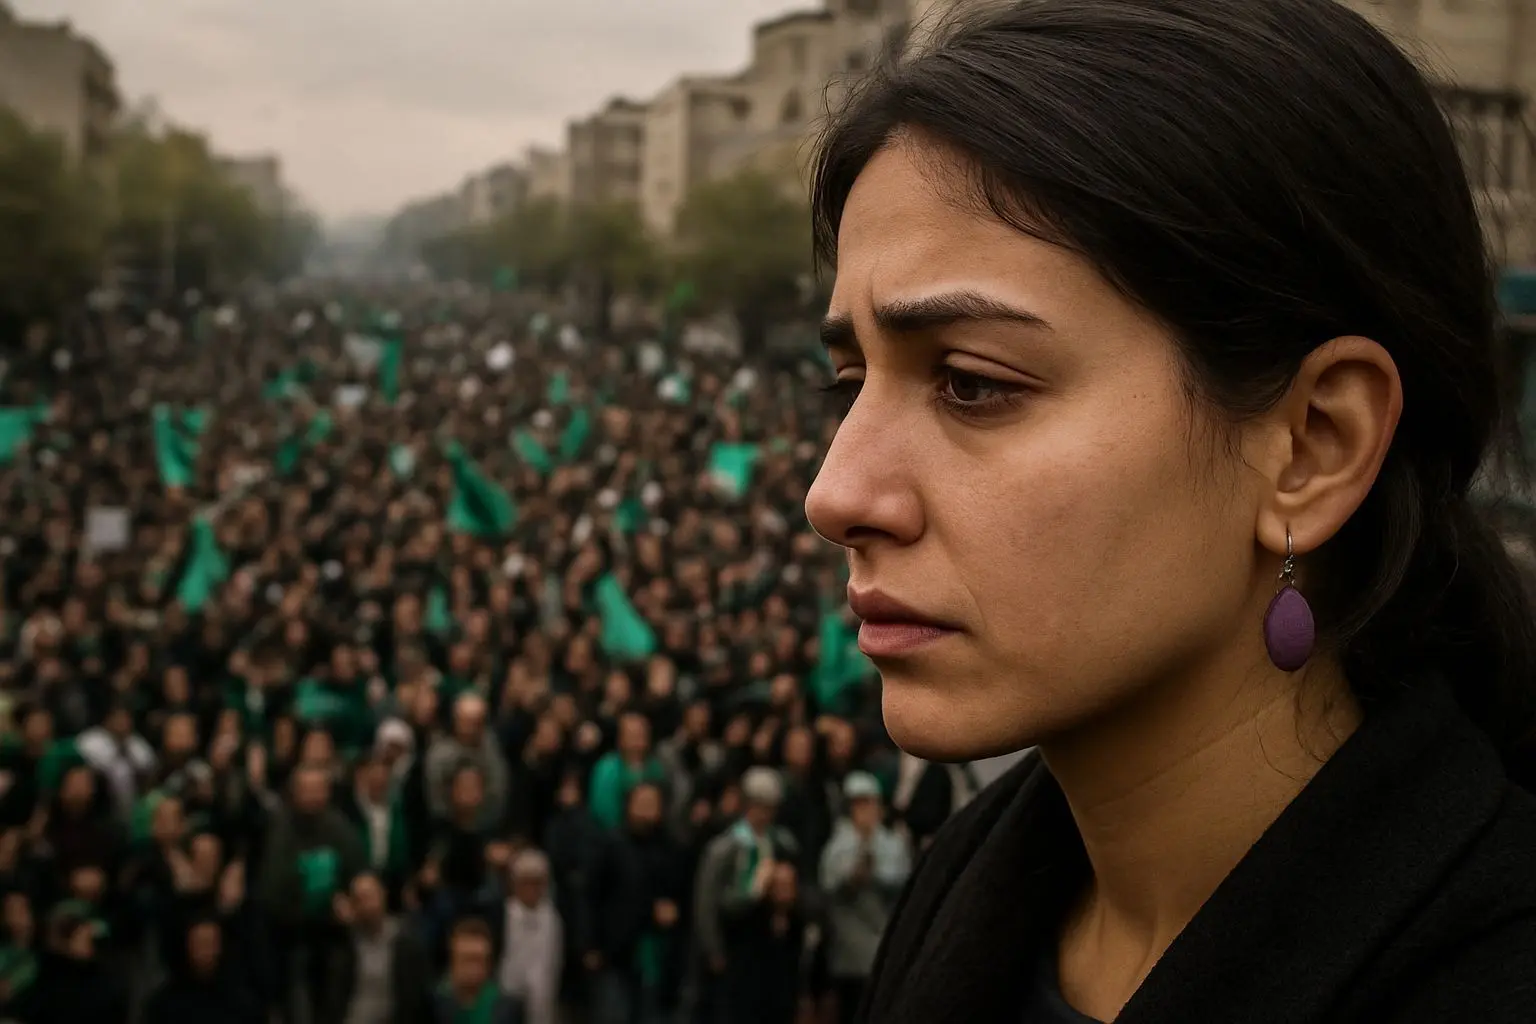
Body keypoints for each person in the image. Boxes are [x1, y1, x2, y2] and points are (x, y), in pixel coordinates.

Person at [804, 0, 1536, 1021]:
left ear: (1313, 447)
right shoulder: (968, 891)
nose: (836, 494)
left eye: (972, 382)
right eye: (850, 384)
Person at [818, 772, 910, 1024]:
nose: (865, 810)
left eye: (868, 803)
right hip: (849, 950)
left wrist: (874, 867)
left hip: (885, 946)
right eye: (858, 804)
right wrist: (852, 875)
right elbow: (829, 886)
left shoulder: (893, 844)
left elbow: (903, 881)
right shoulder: (837, 846)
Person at [430, 919, 522, 1024]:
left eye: (478, 960)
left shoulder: (507, 1010)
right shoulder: (434, 1005)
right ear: (453, 961)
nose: (472, 968)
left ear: (489, 964)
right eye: (467, 959)